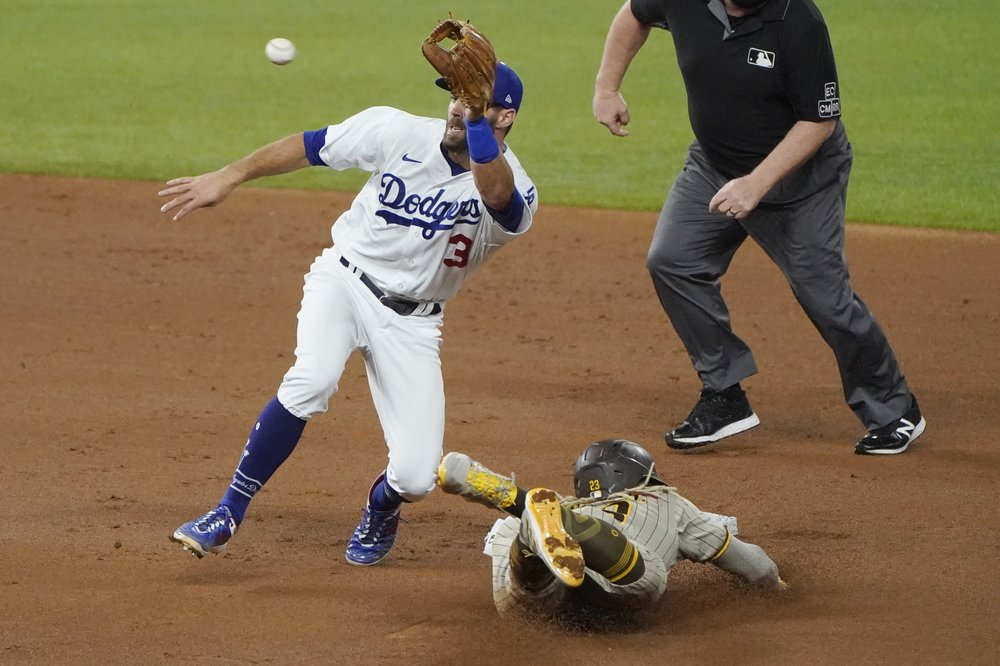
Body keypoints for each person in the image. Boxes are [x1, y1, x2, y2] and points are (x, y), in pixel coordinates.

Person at [160, 61, 537, 565]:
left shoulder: (520, 190)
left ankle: (382, 505)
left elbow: (496, 195)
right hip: (343, 280)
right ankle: (227, 512)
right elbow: (309, 145)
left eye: (474, 100)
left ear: (504, 117)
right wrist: (231, 175)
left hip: (413, 321)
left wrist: (474, 124)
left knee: (417, 476)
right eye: (455, 95)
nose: (457, 106)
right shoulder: (396, 129)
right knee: (311, 380)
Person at [592, 0, 925, 455]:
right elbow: (634, 14)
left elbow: (819, 120)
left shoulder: (798, 20)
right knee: (673, 260)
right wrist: (607, 88)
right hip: (716, 165)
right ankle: (725, 393)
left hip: (802, 181)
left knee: (824, 296)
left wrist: (756, 184)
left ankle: (894, 408)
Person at [437, 439, 785, 626]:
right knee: (644, 573)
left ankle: (523, 524)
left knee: (519, 527)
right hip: (618, 594)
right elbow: (752, 564)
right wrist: (775, 585)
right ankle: (581, 538)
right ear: (640, 476)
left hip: (531, 605)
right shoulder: (667, 501)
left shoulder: (571, 502)